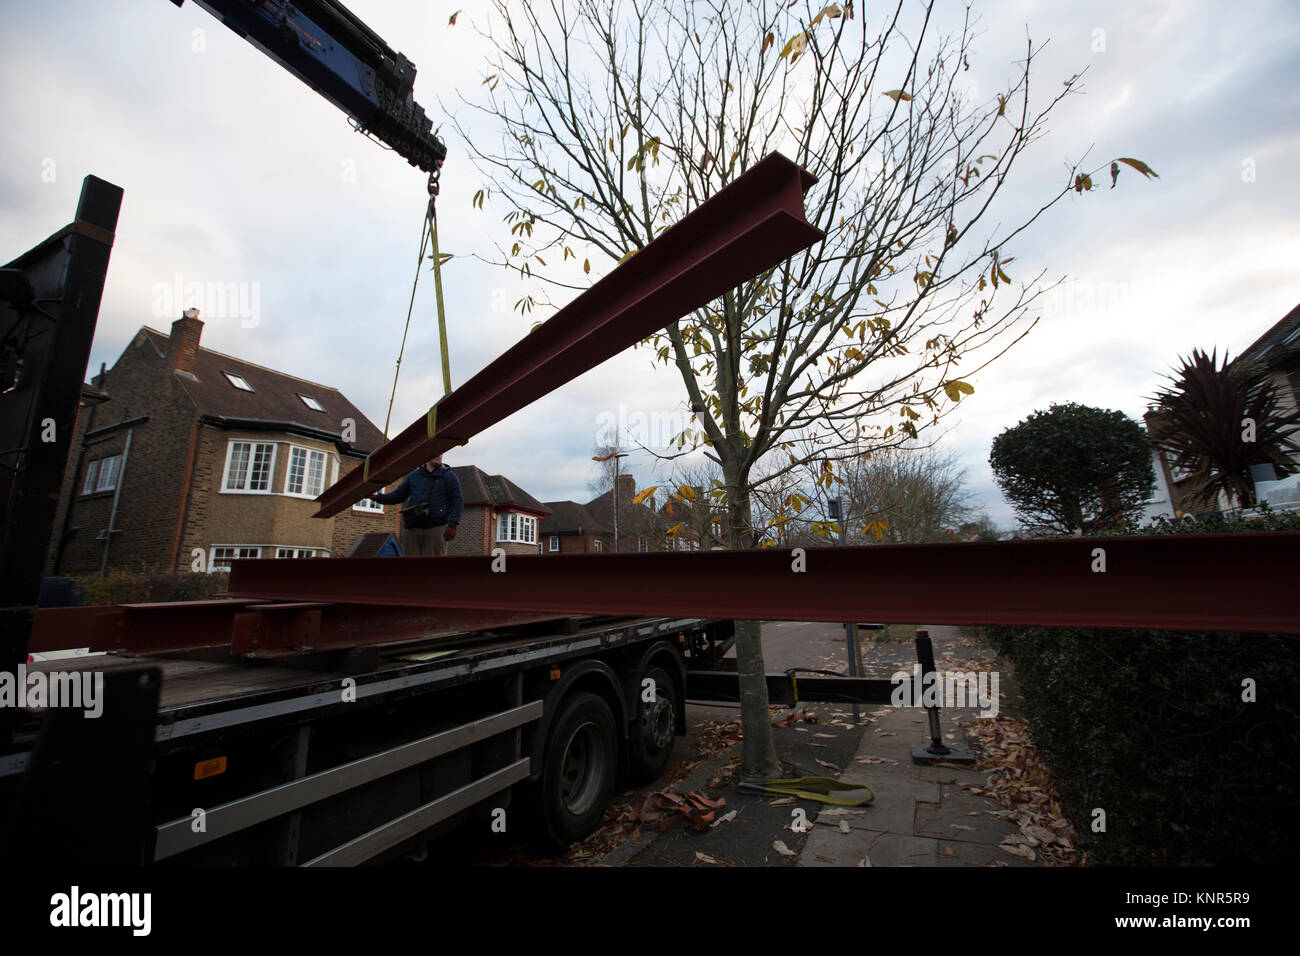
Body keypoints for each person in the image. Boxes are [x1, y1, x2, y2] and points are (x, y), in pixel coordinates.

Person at [371, 453, 463, 556]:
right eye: (435, 452)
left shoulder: (449, 476)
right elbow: (397, 496)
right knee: (411, 567)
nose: (438, 455)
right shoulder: (414, 476)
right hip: (413, 529)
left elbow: (457, 501)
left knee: (432, 568)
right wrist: (376, 497)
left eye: (440, 453)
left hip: (436, 529)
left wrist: (453, 525)